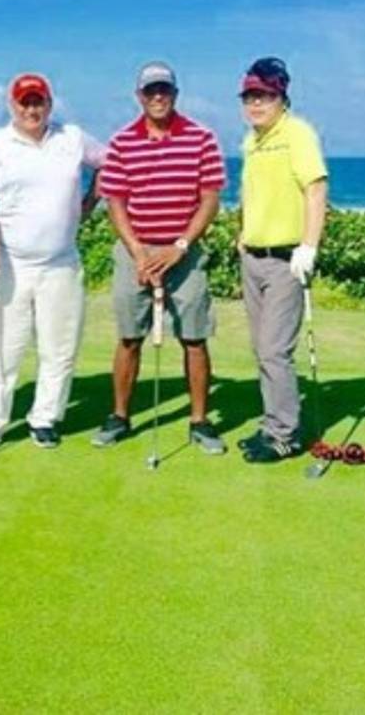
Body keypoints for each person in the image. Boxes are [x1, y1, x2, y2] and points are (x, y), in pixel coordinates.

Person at [0, 73, 107, 457]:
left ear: (50, 103)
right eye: (24, 102)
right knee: (1, 349)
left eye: (38, 102)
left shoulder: (72, 137)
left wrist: (88, 204)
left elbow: (110, 164)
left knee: (59, 348)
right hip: (10, 263)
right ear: (12, 105)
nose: (32, 109)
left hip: (62, 263)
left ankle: (45, 419)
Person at [93, 61, 227, 453]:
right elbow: (115, 201)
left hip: (183, 252)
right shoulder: (121, 142)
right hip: (135, 251)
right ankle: (119, 416)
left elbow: (210, 199)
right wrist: (138, 252)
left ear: (175, 94)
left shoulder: (200, 138)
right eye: (150, 91)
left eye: (164, 90)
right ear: (139, 96)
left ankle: (199, 422)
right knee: (129, 337)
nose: (157, 97)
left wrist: (179, 247)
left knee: (194, 338)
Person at [235, 57, 328, 463]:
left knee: (275, 350)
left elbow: (315, 188)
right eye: (250, 96)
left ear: (281, 97)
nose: (256, 104)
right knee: (262, 349)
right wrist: (242, 233)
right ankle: (273, 423)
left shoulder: (297, 134)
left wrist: (309, 246)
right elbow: (253, 193)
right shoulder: (251, 139)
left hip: (287, 259)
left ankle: (284, 436)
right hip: (253, 257)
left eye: (264, 96)